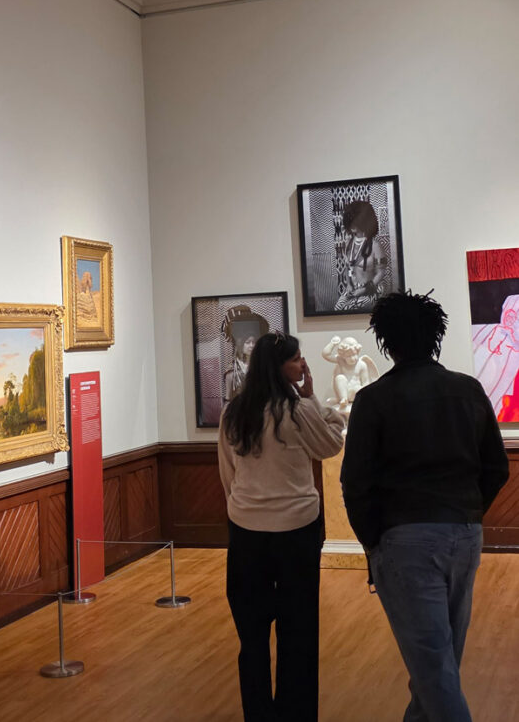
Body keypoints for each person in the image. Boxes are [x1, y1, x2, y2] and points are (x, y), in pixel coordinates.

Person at [340, 291, 509, 722]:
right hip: (465, 535)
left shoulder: (374, 399)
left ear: (386, 342)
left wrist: (373, 545)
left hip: (405, 540)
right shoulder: (467, 390)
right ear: (436, 334)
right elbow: (497, 468)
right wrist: (468, 511)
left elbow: (355, 483)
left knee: (434, 668)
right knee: (439, 661)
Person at [218, 332, 345, 722]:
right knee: (298, 631)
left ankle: (258, 715)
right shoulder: (297, 409)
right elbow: (332, 443)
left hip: (246, 532)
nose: (303, 364)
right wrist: (311, 397)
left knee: (251, 636)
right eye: (296, 359)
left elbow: (228, 473)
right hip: (297, 531)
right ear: (279, 367)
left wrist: (244, 509)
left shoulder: (234, 412)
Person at [334, 200, 387, 312]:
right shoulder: (348, 243)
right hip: (353, 289)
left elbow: (381, 273)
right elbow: (348, 268)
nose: (352, 224)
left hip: (372, 289)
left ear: (364, 221)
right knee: (337, 309)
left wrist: (364, 290)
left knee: (348, 309)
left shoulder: (376, 246)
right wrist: (349, 285)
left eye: (355, 221)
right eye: (350, 221)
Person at [220, 305, 269, 404]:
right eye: (247, 342)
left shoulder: (264, 368)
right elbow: (228, 400)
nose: (251, 345)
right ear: (240, 344)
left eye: (254, 342)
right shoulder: (231, 373)